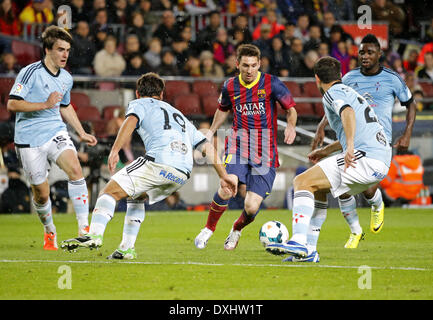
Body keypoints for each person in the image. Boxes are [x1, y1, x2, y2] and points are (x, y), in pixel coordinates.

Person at [61, 72, 238, 260]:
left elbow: (130, 121)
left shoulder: (139, 103)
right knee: (137, 197)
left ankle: (94, 235)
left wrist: (114, 150)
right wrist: (223, 175)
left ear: (138, 93)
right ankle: (127, 248)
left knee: (109, 192)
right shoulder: (179, 115)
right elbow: (207, 148)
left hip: (159, 162)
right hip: (182, 173)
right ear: (161, 94)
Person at [266, 56, 392, 262]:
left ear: (317, 78)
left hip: (366, 158)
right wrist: (326, 151)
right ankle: (309, 250)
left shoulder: (332, 93)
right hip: (380, 158)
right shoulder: (350, 91)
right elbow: (357, 129)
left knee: (302, 181)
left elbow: (347, 113)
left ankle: (298, 240)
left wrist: (349, 147)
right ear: (340, 75)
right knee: (317, 189)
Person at [311, 34, 416, 249]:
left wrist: (407, 133)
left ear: (380, 54)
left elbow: (411, 103)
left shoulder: (392, 78)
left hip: (379, 140)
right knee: (345, 186)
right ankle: (355, 231)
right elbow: (337, 102)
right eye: (361, 52)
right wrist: (322, 126)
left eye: (370, 52)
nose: (365, 56)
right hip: (355, 137)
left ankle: (377, 206)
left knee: (367, 190)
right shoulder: (349, 78)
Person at [194, 44, 297, 251]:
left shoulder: (271, 83)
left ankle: (237, 229)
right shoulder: (230, 86)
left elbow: (290, 109)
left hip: (265, 150)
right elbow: (222, 110)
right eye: (245, 65)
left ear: (259, 64)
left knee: (251, 206)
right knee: (227, 185)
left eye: (253, 65)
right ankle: (208, 229)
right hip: (238, 144)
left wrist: (292, 127)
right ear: (237, 64)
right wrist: (212, 131)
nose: (249, 70)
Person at [7, 26, 98, 250]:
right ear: (48, 50)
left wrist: (81, 132)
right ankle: (49, 231)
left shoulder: (66, 78)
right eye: (60, 49)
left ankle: (84, 230)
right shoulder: (30, 73)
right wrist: (44, 105)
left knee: (76, 169)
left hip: (55, 131)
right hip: (28, 138)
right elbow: (12, 103)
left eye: (67, 50)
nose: (65, 54)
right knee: (41, 192)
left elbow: (65, 106)